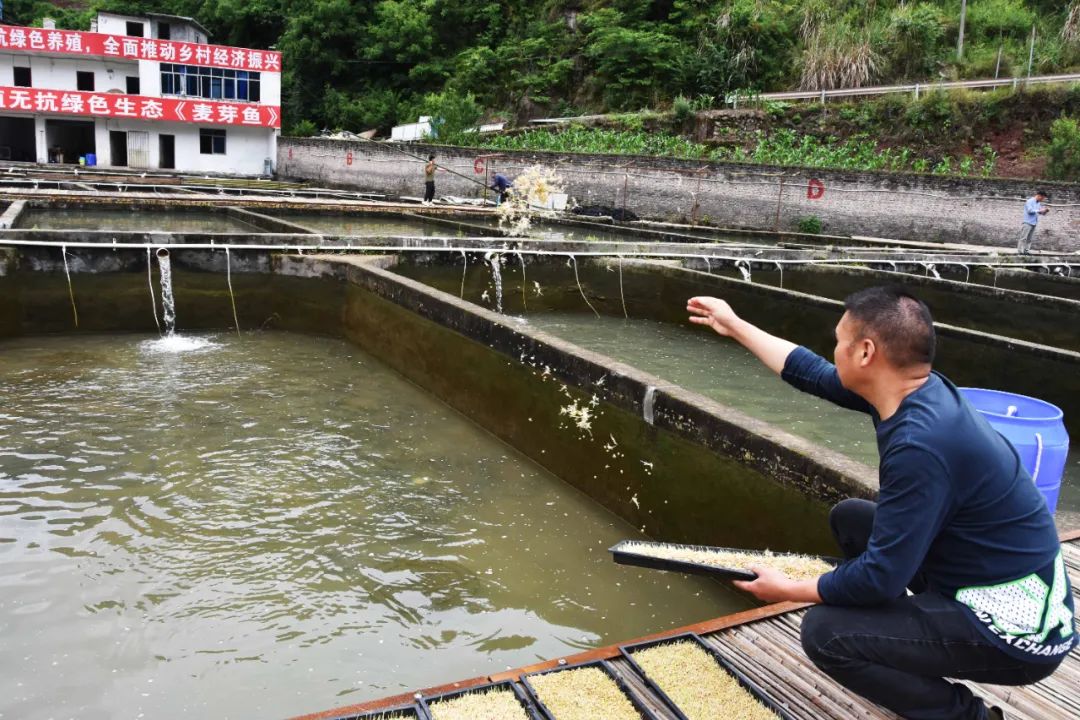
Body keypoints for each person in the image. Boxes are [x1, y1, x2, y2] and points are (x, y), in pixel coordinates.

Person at [687, 286, 1075, 720]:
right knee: (853, 519)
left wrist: (786, 589)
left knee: (826, 632)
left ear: (866, 352)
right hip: (978, 578)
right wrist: (735, 325)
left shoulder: (919, 446)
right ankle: (900, 635)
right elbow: (810, 372)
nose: (833, 351)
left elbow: (879, 579)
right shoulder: (916, 390)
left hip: (1018, 634)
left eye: (839, 340)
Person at [1016, 190, 1049, 255]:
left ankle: (1026, 251)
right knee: (1023, 238)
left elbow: (1040, 212)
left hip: (1034, 223)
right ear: (1039, 196)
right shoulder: (1030, 201)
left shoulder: (1038, 203)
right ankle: (1020, 251)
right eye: (1042, 198)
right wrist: (1039, 210)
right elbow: (1030, 211)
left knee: (1029, 239)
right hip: (1027, 222)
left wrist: (1045, 211)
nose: (1042, 200)